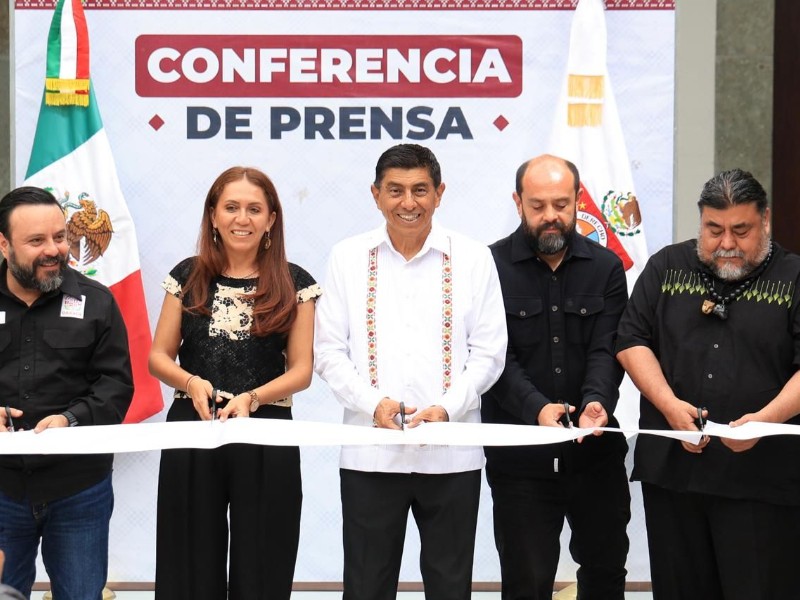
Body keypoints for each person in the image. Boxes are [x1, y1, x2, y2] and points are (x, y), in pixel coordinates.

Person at [314, 143, 507, 600]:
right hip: (369, 454)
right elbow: (328, 352)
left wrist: (447, 408)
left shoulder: (474, 257)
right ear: (376, 194)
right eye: (395, 190)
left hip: (452, 453)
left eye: (420, 190)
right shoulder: (347, 257)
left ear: (439, 194)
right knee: (365, 585)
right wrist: (373, 405)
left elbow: (489, 352)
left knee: (450, 585)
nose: (408, 203)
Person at [616, 168, 800, 600]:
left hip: (763, 479)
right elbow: (630, 340)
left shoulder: (794, 278)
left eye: (741, 230)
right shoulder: (667, 266)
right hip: (674, 473)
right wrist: (668, 405)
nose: (727, 243)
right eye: (714, 230)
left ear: (766, 221)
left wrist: (765, 421)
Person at [148, 166, 321, 600]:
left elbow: (301, 371)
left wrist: (251, 398)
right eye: (231, 207)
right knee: (187, 553)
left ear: (271, 220)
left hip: (266, 430)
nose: (241, 218)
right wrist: (190, 383)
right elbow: (157, 357)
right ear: (212, 215)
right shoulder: (187, 275)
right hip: (193, 424)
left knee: (264, 555)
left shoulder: (296, 283)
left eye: (254, 209)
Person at [482, 155, 630, 600]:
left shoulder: (606, 267)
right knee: (527, 583)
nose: (551, 216)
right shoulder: (487, 267)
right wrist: (537, 409)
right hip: (519, 460)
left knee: (605, 576)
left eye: (562, 204)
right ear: (517, 202)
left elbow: (608, 348)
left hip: (595, 455)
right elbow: (492, 358)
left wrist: (596, 403)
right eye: (538, 205)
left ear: (578, 201)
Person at [0, 186, 133, 599]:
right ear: (3, 244)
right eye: (36, 241)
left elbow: (116, 385)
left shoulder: (96, 302)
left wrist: (71, 420)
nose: (54, 250)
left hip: (78, 489)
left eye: (60, 237)